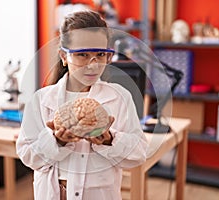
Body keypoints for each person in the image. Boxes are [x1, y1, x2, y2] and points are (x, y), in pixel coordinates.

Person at [16, 10, 147, 200]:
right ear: (64, 56)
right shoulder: (41, 100)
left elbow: (138, 153)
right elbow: (28, 156)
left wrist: (109, 139)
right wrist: (57, 140)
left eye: (100, 54)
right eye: (82, 54)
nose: (92, 65)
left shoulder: (119, 97)